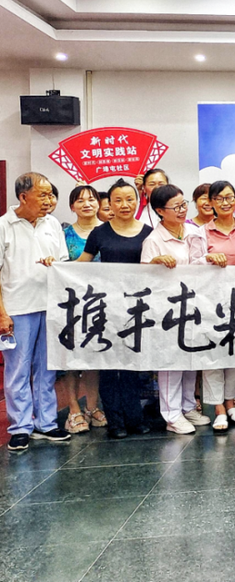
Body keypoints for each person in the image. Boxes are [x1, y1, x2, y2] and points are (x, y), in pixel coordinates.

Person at [0, 173, 71, 451]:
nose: (48, 200)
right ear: (23, 196)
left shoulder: (52, 224)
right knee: (18, 370)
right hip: (17, 308)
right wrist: (2, 313)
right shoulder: (4, 226)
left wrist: (55, 264)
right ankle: (20, 427)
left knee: (47, 369)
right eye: (42, 195)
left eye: (50, 195)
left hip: (51, 307)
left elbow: (64, 264)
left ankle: (46, 423)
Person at [78, 179, 153, 439]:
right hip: (107, 308)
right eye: (117, 200)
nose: (124, 205)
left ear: (137, 201)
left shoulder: (148, 232)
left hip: (138, 309)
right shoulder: (99, 233)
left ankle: (135, 418)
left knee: (133, 365)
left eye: (129, 199)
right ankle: (115, 421)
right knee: (109, 367)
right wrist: (56, 266)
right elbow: (82, 264)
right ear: (108, 203)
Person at [141, 184, 214, 435]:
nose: (182, 210)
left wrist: (210, 259)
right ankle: (171, 415)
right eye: (176, 207)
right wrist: (155, 263)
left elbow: (198, 264)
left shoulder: (194, 232)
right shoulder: (153, 240)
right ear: (160, 211)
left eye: (184, 204)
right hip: (167, 310)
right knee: (171, 362)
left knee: (190, 358)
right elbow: (143, 279)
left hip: (193, 305)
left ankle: (187, 406)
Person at [200, 180, 235, 432]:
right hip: (210, 301)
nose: (225, 202)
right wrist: (207, 258)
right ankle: (218, 408)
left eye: (230, 197)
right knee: (213, 355)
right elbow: (193, 263)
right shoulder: (201, 232)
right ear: (211, 203)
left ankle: (231, 402)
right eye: (219, 198)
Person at [60, 185, 106, 434]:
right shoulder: (64, 235)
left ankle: (92, 406)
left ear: (99, 203)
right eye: (80, 200)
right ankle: (73, 409)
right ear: (72, 206)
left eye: (91, 199)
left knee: (94, 356)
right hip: (72, 304)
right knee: (71, 358)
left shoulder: (108, 230)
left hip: (102, 304)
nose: (87, 204)